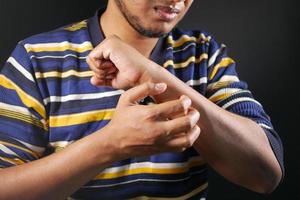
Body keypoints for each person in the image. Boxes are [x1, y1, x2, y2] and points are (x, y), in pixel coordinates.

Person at [0, 0, 284, 199]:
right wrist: (110, 145)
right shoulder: (36, 57)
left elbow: (265, 174)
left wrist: (152, 76)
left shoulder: (204, 54)